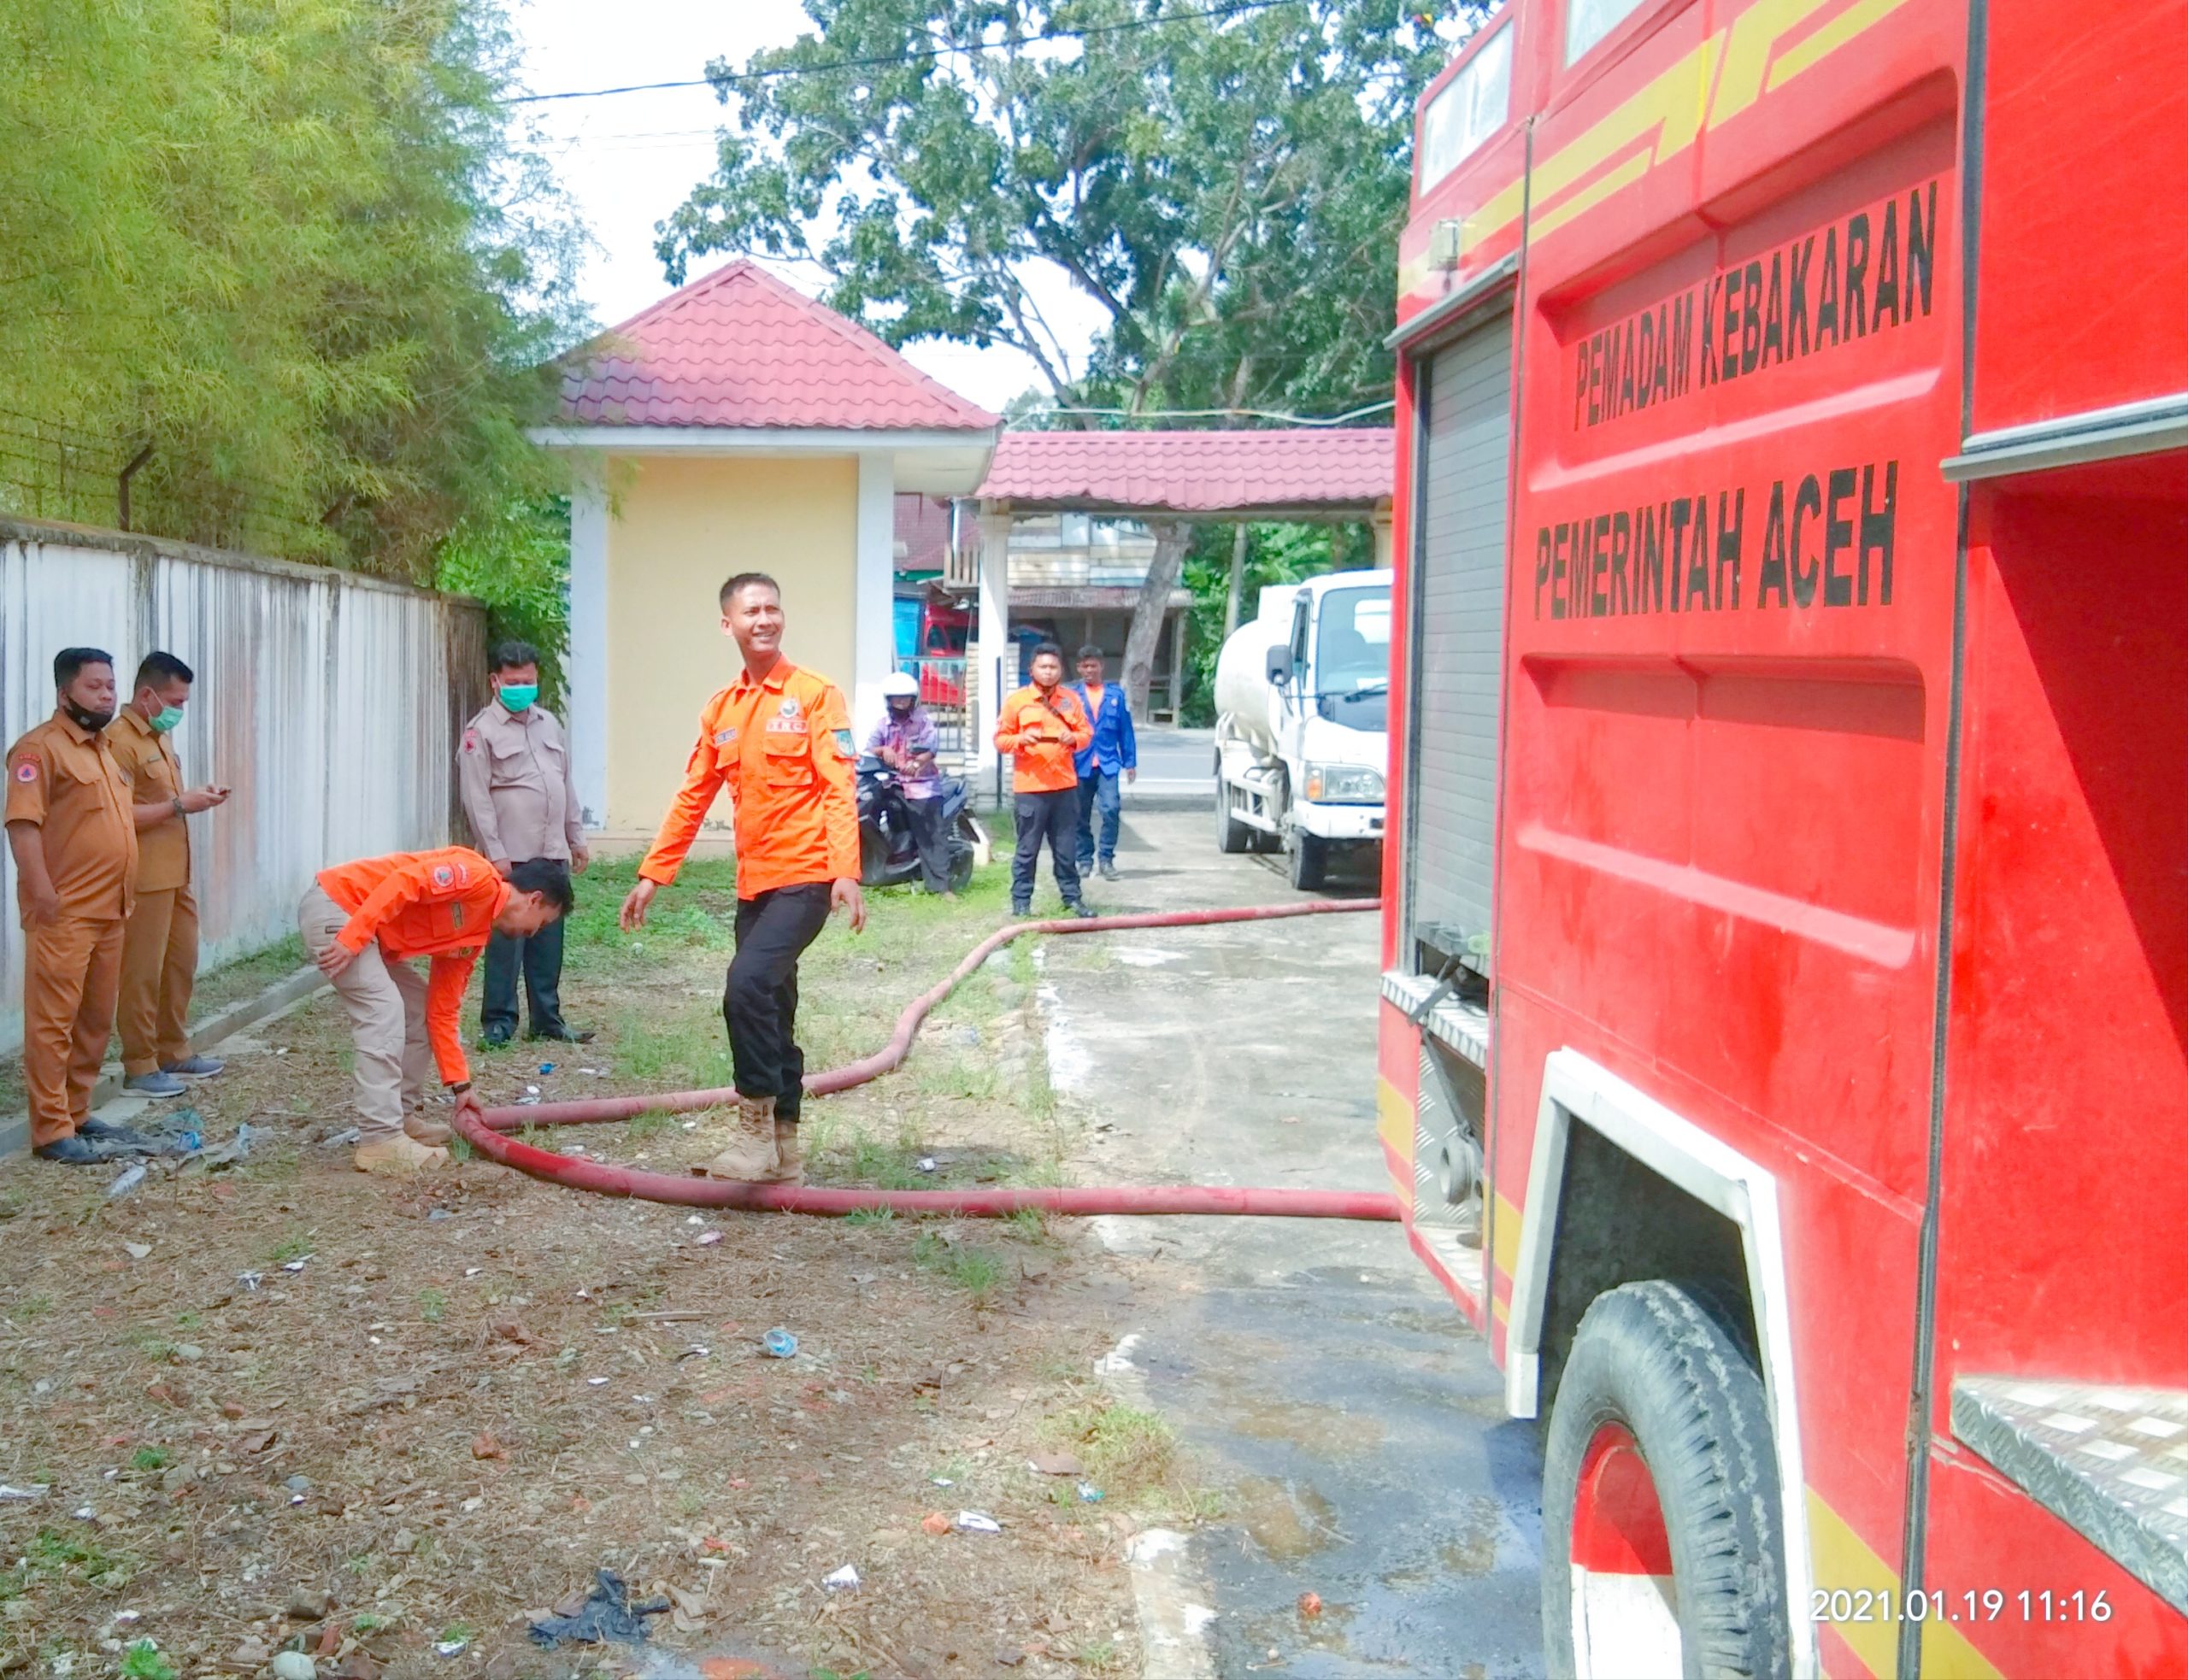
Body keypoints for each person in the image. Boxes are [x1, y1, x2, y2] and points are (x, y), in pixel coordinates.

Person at [619, 572, 866, 1185]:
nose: (765, 619)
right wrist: (654, 874)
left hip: (806, 876)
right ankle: (786, 1148)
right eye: (752, 610)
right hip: (755, 885)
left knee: (745, 986)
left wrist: (846, 872)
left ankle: (752, 1132)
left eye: (773, 609)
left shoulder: (814, 695)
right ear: (727, 623)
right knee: (773, 1005)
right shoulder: (721, 711)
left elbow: (839, 788)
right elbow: (693, 795)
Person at [298, 847, 572, 1175]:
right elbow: (406, 882)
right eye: (542, 922)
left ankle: (399, 1119)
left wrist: (461, 1085)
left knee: (419, 1012)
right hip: (340, 907)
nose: (535, 933)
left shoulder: (474, 936)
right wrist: (352, 937)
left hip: (366, 928)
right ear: (534, 900)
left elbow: (441, 1012)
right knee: (383, 1010)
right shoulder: (477, 877)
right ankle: (380, 1140)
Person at [4, 649, 150, 1164]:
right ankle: (50, 1130)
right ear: (65, 693)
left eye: (110, 686)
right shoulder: (37, 751)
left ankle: (78, 1112)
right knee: (53, 1022)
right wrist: (43, 893)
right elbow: (23, 826)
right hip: (64, 913)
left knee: (94, 1019)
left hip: (112, 912)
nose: (107, 695)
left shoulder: (104, 750)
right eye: (94, 686)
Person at [109, 651, 231, 1098]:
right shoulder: (119, 741)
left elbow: (161, 799)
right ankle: (140, 1064)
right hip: (142, 877)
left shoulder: (157, 739)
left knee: (179, 964)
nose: (180, 709)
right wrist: (181, 805)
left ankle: (172, 1050)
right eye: (175, 700)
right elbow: (115, 814)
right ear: (148, 695)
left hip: (176, 873)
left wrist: (197, 796)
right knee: (142, 972)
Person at [459, 640, 591, 1047]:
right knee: (506, 940)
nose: (522, 688)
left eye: (529, 681)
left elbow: (563, 782)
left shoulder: (549, 724)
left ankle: (547, 1019)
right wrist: (494, 853)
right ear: (495, 682)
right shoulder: (480, 731)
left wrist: (576, 836)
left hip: (551, 850)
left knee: (549, 938)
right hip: (510, 856)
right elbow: (476, 797)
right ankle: (498, 1022)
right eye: (514, 682)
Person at [994, 641, 1094, 919]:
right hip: (1030, 790)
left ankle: (1072, 899)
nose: (1048, 672)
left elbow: (1086, 734)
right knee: (1027, 850)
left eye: (1053, 667)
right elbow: (1000, 740)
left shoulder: (1070, 699)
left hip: (1064, 787)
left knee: (1066, 850)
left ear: (1060, 669)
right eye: (1043, 667)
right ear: (1032, 669)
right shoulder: (1017, 701)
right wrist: (1020, 740)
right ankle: (1021, 902)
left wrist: (1073, 738)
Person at [864, 670, 952, 896]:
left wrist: (916, 763)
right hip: (892, 784)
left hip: (921, 785)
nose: (901, 702)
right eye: (896, 698)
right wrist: (883, 750)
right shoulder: (883, 724)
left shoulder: (923, 722)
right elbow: (870, 746)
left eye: (905, 698)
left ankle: (940, 887)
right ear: (889, 700)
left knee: (932, 835)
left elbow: (930, 750)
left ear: (914, 699)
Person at [1069, 645, 1137, 882]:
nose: (1089, 670)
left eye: (1093, 665)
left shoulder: (1115, 695)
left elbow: (1125, 731)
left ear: (1101, 666)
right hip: (1080, 764)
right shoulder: (1070, 697)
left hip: (1107, 764)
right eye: (1085, 666)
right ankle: (1084, 860)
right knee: (1079, 814)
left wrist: (1130, 762)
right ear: (1079, 668)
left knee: (1111, 809)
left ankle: (1106, 859)